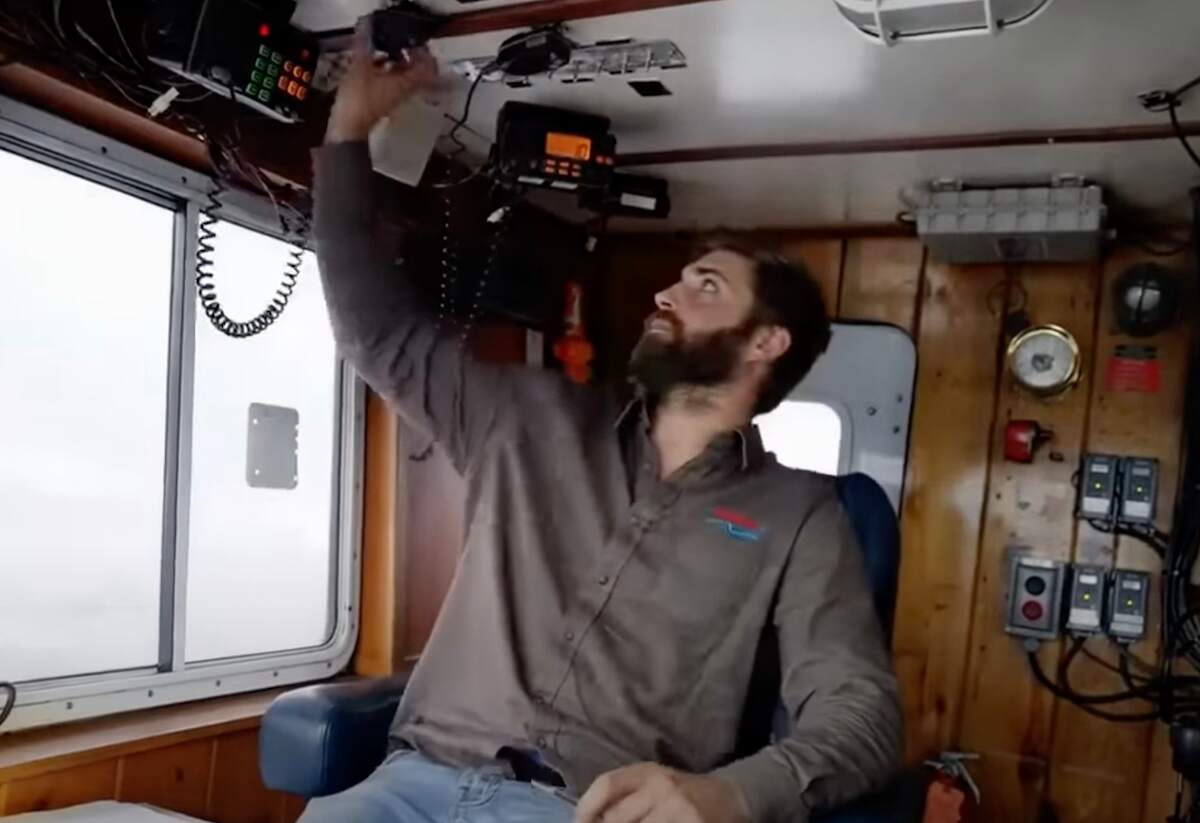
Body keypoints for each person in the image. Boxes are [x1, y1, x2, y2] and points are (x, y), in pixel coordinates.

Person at [300, 36, 901, 823]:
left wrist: (725, 795)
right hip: (406, 791)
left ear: (766, 342)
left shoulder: (801, 514)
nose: (667, 294)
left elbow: (861, 714)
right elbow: (376, 334)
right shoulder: (526, 416)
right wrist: (346, 136)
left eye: (705, 286)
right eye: (677, 278)